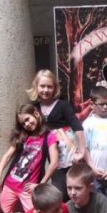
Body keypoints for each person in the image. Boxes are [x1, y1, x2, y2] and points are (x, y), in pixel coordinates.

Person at [28, 69, 86, 200]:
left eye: (49, 86)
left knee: (70, 187)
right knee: (57, 187)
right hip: (49, 151)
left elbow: (77, 127)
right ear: (36, 87)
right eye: (42, 86)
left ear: (55, 88)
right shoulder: (34, 108)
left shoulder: (62, 105)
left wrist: (82, 151)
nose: (46, 90)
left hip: (67, 152)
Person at [0, 104, 59, 213]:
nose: (27, 124)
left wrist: (40, 185)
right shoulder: (23, 136)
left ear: (36, 113)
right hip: (10, 184)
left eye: (27, 119)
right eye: (23, 123)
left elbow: (54, 163)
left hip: (28, 189)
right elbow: (7, 156)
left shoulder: (49, 136)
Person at [83, 86, 107, 213]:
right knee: (95, 204)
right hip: (94, 172)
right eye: (101, 104)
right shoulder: (87, 124)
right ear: (92, 104)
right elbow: (85, 148)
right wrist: (92, 168)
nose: (105, 107)